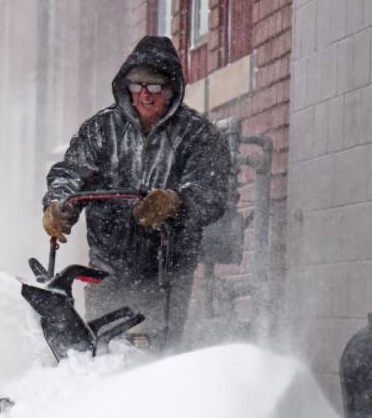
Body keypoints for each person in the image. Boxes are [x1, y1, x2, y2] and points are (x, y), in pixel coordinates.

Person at [41, 35, 233, 349]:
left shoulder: (197, 135)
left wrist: (176, 202)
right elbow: (71, 172)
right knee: (101, 351)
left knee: (156, 353)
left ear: (171, 88)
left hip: (168, 272)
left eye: (154, 87)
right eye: (136, 86)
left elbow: (210, 192)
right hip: (108, 269)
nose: (144, 95)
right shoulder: (100, 131)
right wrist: (59, 205)